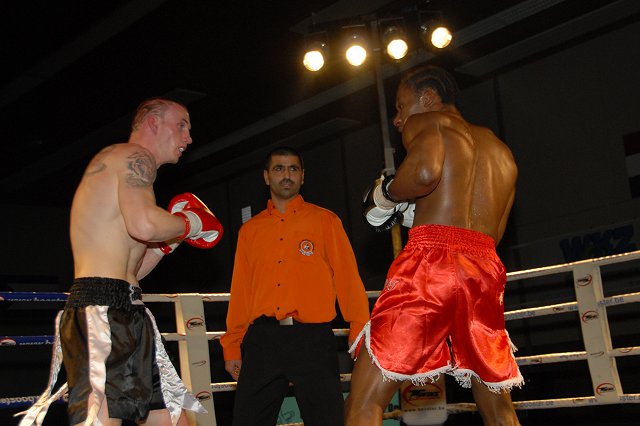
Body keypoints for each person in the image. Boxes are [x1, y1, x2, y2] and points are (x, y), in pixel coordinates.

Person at [17, 98, 223, 426]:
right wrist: (191, 223)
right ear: (153, 123)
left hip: (128, 308)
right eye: (181, 125)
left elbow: (132, 270)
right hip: (101, 309)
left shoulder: (127, 174)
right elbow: (144, 225)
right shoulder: (132, 156)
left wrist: (166, 245)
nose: (188, 137)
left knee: (173, 421)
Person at [346, 66, 523, 426]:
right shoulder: (502, 152)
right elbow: (495, 233)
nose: (397, 120)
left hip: (432, 262)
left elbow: (425, 174)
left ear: (427, 98)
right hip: (484, 269)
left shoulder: (428, 121)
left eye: (400, 106)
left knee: (363, 402)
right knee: (498, 407)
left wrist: (387, 193)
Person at [220, 146, 370, 426]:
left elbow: (348, 279)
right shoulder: (250, 231)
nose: (286, 175)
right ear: (266, 177)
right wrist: (232, 346)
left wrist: (358, 327)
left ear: (303, 176)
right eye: (278, 168)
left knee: (327, 420)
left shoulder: (325, 221)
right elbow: (241, 291)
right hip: (262, 340)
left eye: (293, 169)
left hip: (313, 340)